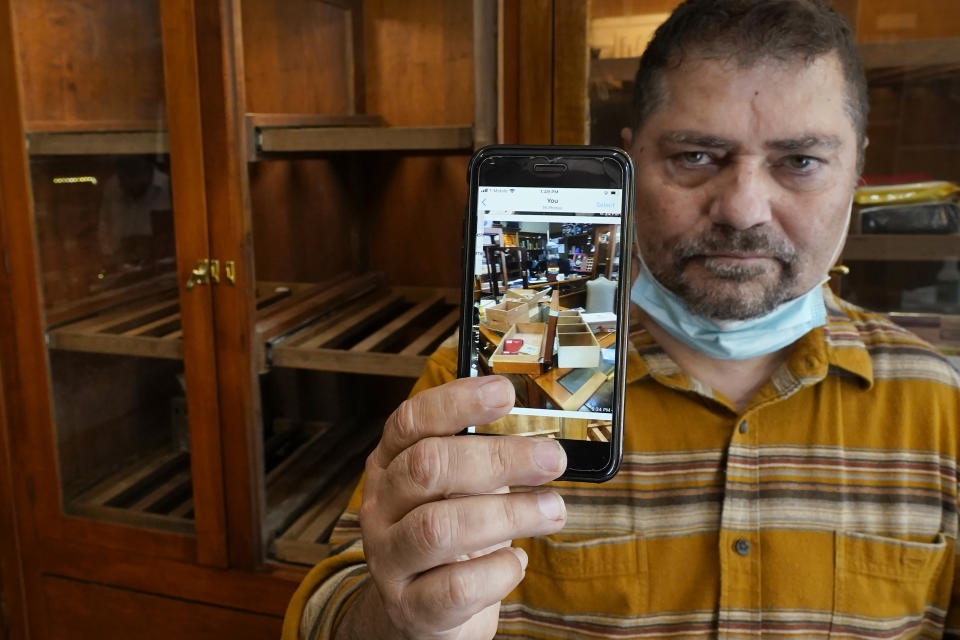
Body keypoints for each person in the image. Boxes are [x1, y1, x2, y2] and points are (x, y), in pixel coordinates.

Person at [284, 1, 960, 638]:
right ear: (633, 160)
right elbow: (333, 597)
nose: (743, 209)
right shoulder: (504, 372)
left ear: (858, 169)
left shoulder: (941, 404)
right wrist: (395, 619)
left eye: (801, 161)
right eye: (696, 157)